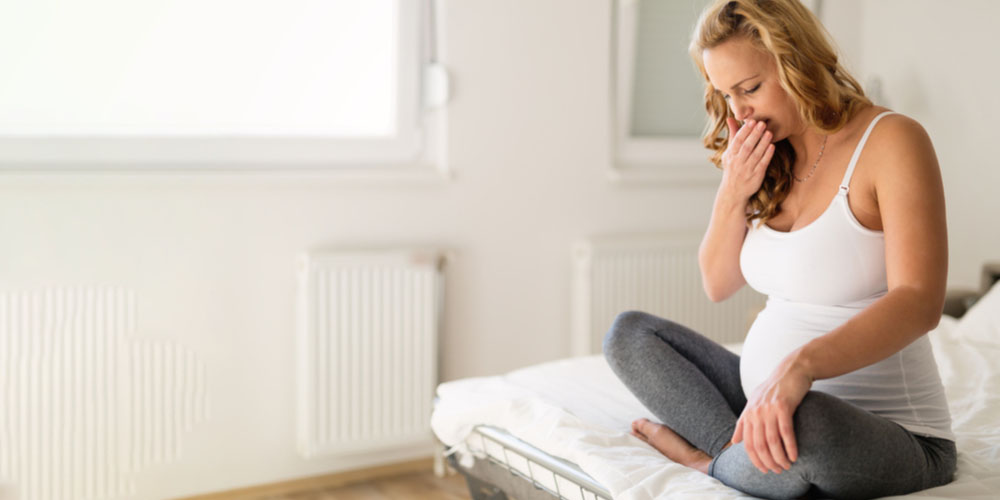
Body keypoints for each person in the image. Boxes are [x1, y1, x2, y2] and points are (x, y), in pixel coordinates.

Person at [601, 0, 957, 499]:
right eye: (726, 95)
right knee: (631, 335)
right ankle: (740, 455)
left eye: (750, 89)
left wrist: (800, 366)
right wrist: (732, 191)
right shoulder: (767, 156)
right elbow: (717, 284)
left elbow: (920, 301)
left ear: (799, 61)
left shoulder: (892, 141)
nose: (739, 113)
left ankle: (718, 464)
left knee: (807, 422)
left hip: (886, 432)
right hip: (767, 400)